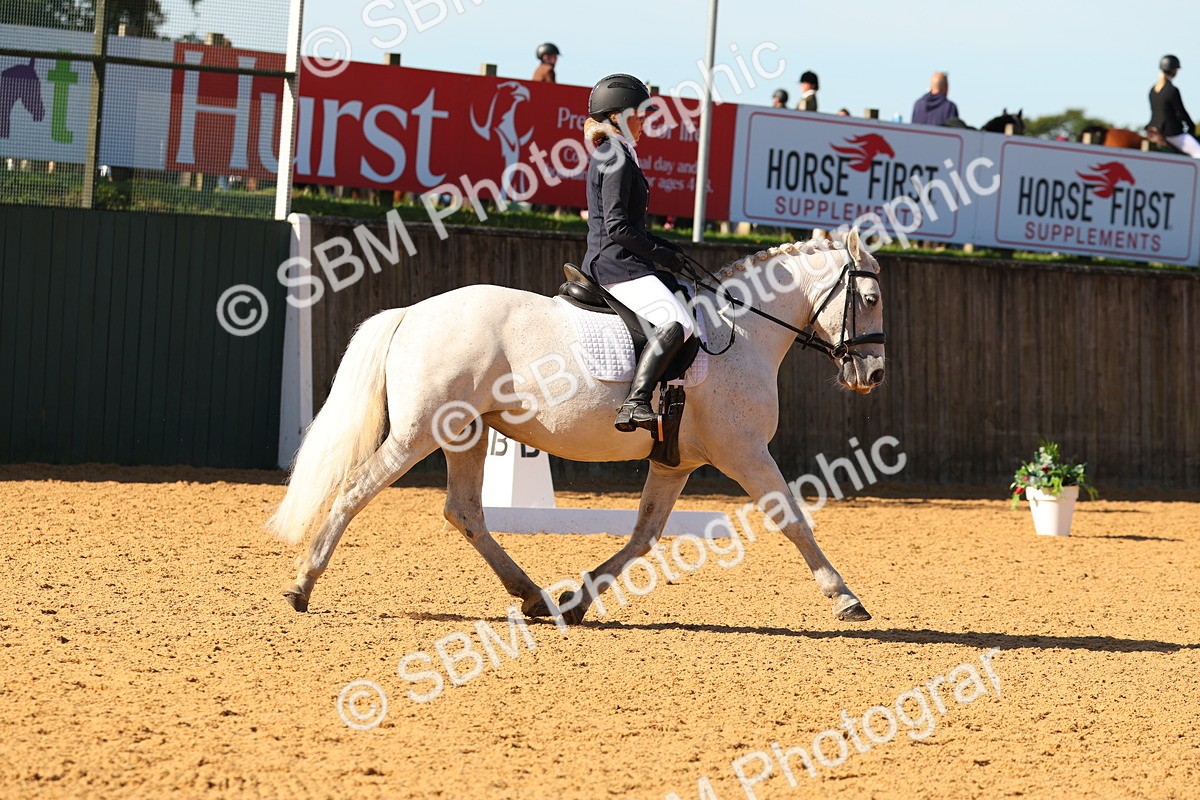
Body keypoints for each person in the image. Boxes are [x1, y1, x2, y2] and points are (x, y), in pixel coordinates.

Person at [581, 73, 695, 432]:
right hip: (617, 265)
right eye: (639, 114)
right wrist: (662, 255)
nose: (645, 121)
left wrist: (668, 249)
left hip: (622, 260)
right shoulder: (615, 155)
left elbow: (632, 225)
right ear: (617, 116)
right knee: (678, 323)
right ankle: (635, 402)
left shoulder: (616, 152)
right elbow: (617, 227)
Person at [1148, 54, 1200, 158]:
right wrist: (1191, 126)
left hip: (1153, 129)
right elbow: (1181, 112)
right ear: (1174, 71)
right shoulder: (1172, 90)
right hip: (1170, 133)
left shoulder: (1153, 90)